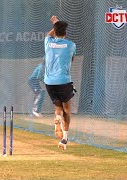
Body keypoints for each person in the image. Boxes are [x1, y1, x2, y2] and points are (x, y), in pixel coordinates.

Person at [44, 16, 76, 150]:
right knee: (67, 110)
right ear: (66, 33)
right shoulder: (71, 45)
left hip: (49, 82)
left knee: (58, 106)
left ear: (54, 31)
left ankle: (57, 116)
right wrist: (58, 24)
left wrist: (55, 23)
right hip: (64, 81)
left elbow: (48, 34)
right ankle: (64, 139)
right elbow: (72, 59)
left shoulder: (48, 42)